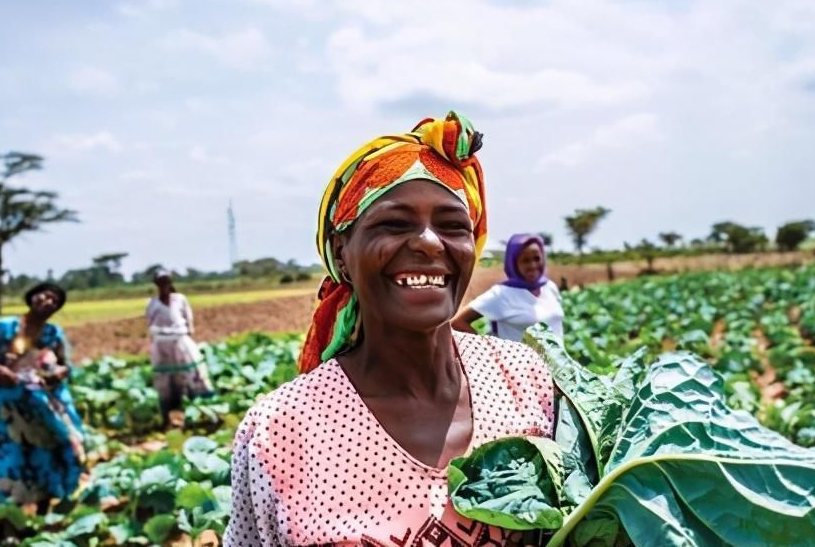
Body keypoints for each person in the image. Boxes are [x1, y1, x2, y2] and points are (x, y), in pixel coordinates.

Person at [225, 112, 554, 545]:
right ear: (342, 253)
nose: (429, 242)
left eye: (453, 225)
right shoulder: (280, 430)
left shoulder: (524, 379)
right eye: (394, 224)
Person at [0, 283, 84, 514]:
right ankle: (11, 511)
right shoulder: (5, 328)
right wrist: (2, 371)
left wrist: (56, 374)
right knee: (16, 452)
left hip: (45, 401)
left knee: (55, 447)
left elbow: (67, 366)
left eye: (55, 301)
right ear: (32, 296)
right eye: (45, 295)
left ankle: (44, 506)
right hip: (10, 402)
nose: (48, 302)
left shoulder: (53, 334)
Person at [451, 233, 565, 342]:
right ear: (514, 263)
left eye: (537, 258)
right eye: (525, 260)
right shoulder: (501, 294)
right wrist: (485, 349)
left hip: (553, 362)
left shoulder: (549, 287)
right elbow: (458, 322)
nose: (533, 265)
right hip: (518, 362)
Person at [145, 269, 213, 425]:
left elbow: (189, 321)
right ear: (157, 285)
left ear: (170, 283)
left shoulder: (180, 299)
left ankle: (196, 414)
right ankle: (166, 417)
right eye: (160, 283)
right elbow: (150, 324)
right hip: (162, 345)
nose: (163, 286)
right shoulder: (152, 303)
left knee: (191, 375)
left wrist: (188, 337)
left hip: (180, 342)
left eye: (166, 282)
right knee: (165, 381)